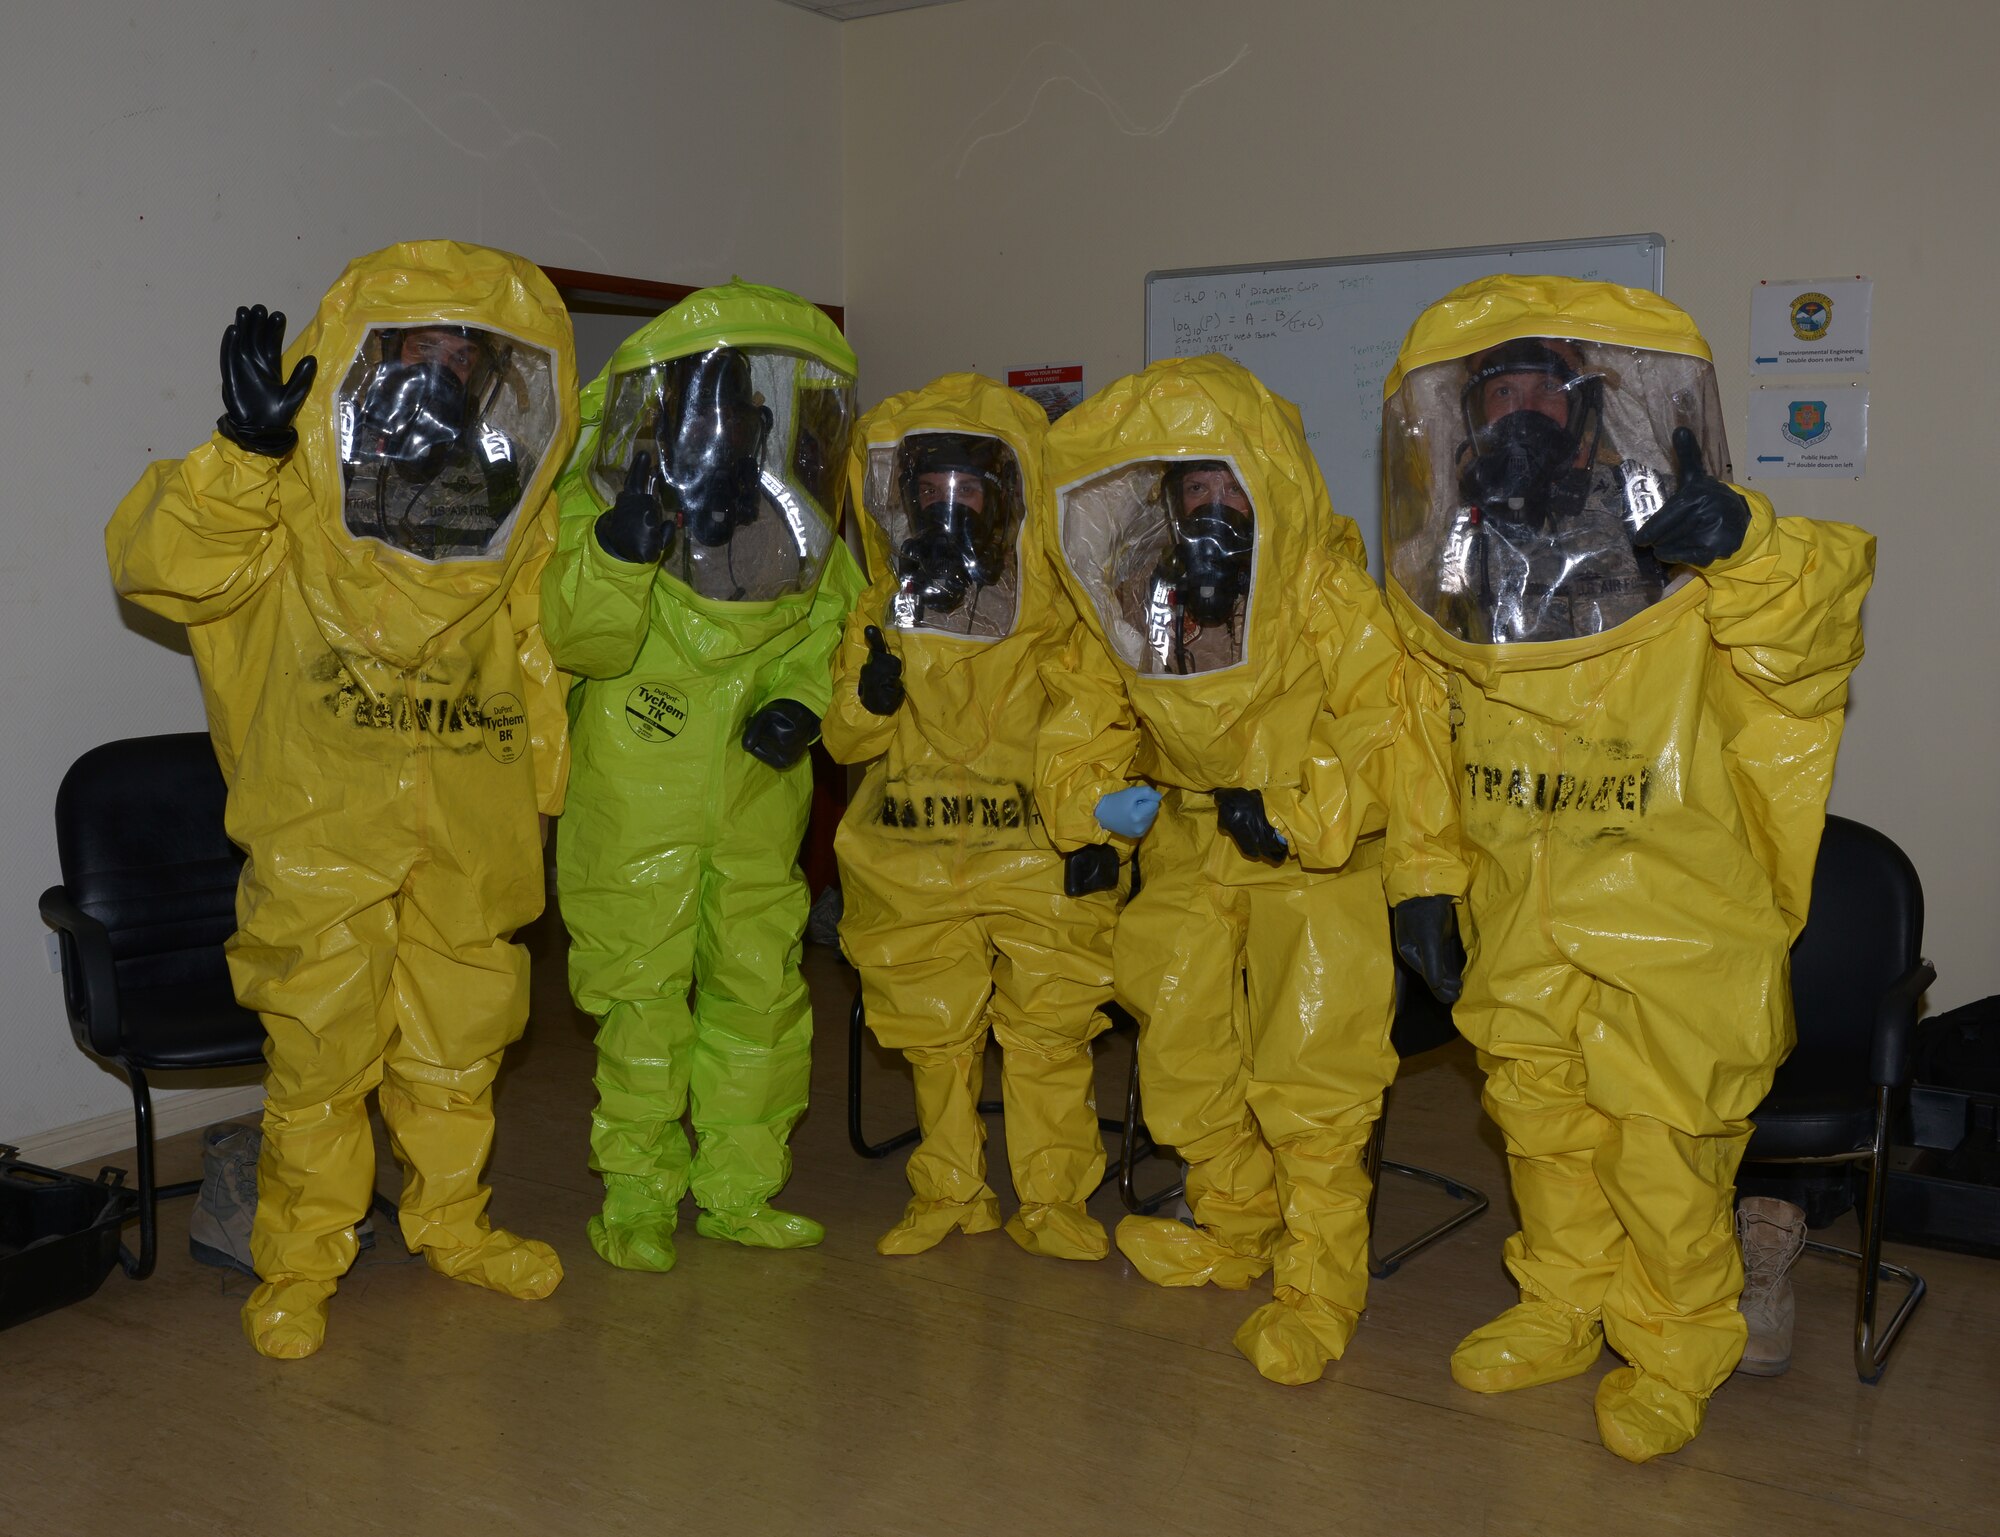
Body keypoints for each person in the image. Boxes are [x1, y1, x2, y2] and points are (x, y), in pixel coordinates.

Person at [1379, 274, 1876, 1460]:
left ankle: (1671, 1346)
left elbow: (1810, 643)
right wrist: (1420, 879)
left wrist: (1744, 543)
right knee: (1541, 1129)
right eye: (1490, 396)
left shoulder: (1681, 553)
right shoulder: (1455, 577)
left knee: (1661, 1153)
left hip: (1677, 922)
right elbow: (1413, 734)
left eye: (1537, 397)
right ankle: (1558, 1303)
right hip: (1519, 917)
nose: (1513, 421)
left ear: (1590, 412)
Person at [106, 241, 580, 1359]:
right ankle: (300, 1260)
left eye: (469, 354)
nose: (445, 372)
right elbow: (159, 565)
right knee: (321, 1057)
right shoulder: (288, 501)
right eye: (423, 347)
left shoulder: (507, 511)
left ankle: (453, 1224)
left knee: (458, 1048)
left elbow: (541, 660)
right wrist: (245, 451)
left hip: (469, 829)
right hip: (321, 830)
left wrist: (540, 804)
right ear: (368, 356)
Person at [1038, 354, 1447, 1384]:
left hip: (1312, 864)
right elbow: (1084, 705)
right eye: (1196, 491)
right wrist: (1088, 807)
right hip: (1187, 847)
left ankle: (1316, 1288)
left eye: (1232, 489)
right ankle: (1231, 1226)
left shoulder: (1323, 594)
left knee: (1309, 1082)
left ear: (1271, 487)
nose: (1215, 511)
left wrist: (1301, 810)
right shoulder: (1141, 594)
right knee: (1181, 1056)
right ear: (1170, 500)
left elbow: (1388, 726)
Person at [544, 281, 864, 1272]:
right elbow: (576, 639)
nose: (723, 431)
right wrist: (614, 555)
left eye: (739, 413)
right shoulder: (598, 510)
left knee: (757, 997)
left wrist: (800, 702)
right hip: (633, 801)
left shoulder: (791, 523)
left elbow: (829, 626)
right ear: (661, 416)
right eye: (704, 410)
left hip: (755, 805)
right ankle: (638, 1195)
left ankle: (737, 1188)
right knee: (641, 1007)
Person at [823, 374, 1124, 1261]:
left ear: (1005, 498)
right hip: (913, 854)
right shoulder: (881, 611)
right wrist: (871, 698)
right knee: (933, 1035)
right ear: (903, 500)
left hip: (1034, 853)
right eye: (929, 492)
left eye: (968, 491)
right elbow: (843, 738)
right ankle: (950, 1190)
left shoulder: (1058, 612)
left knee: (1046, 1033)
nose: (947, 509)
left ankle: (1055, 1200)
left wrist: (1093, 835)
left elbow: (1092, 724)